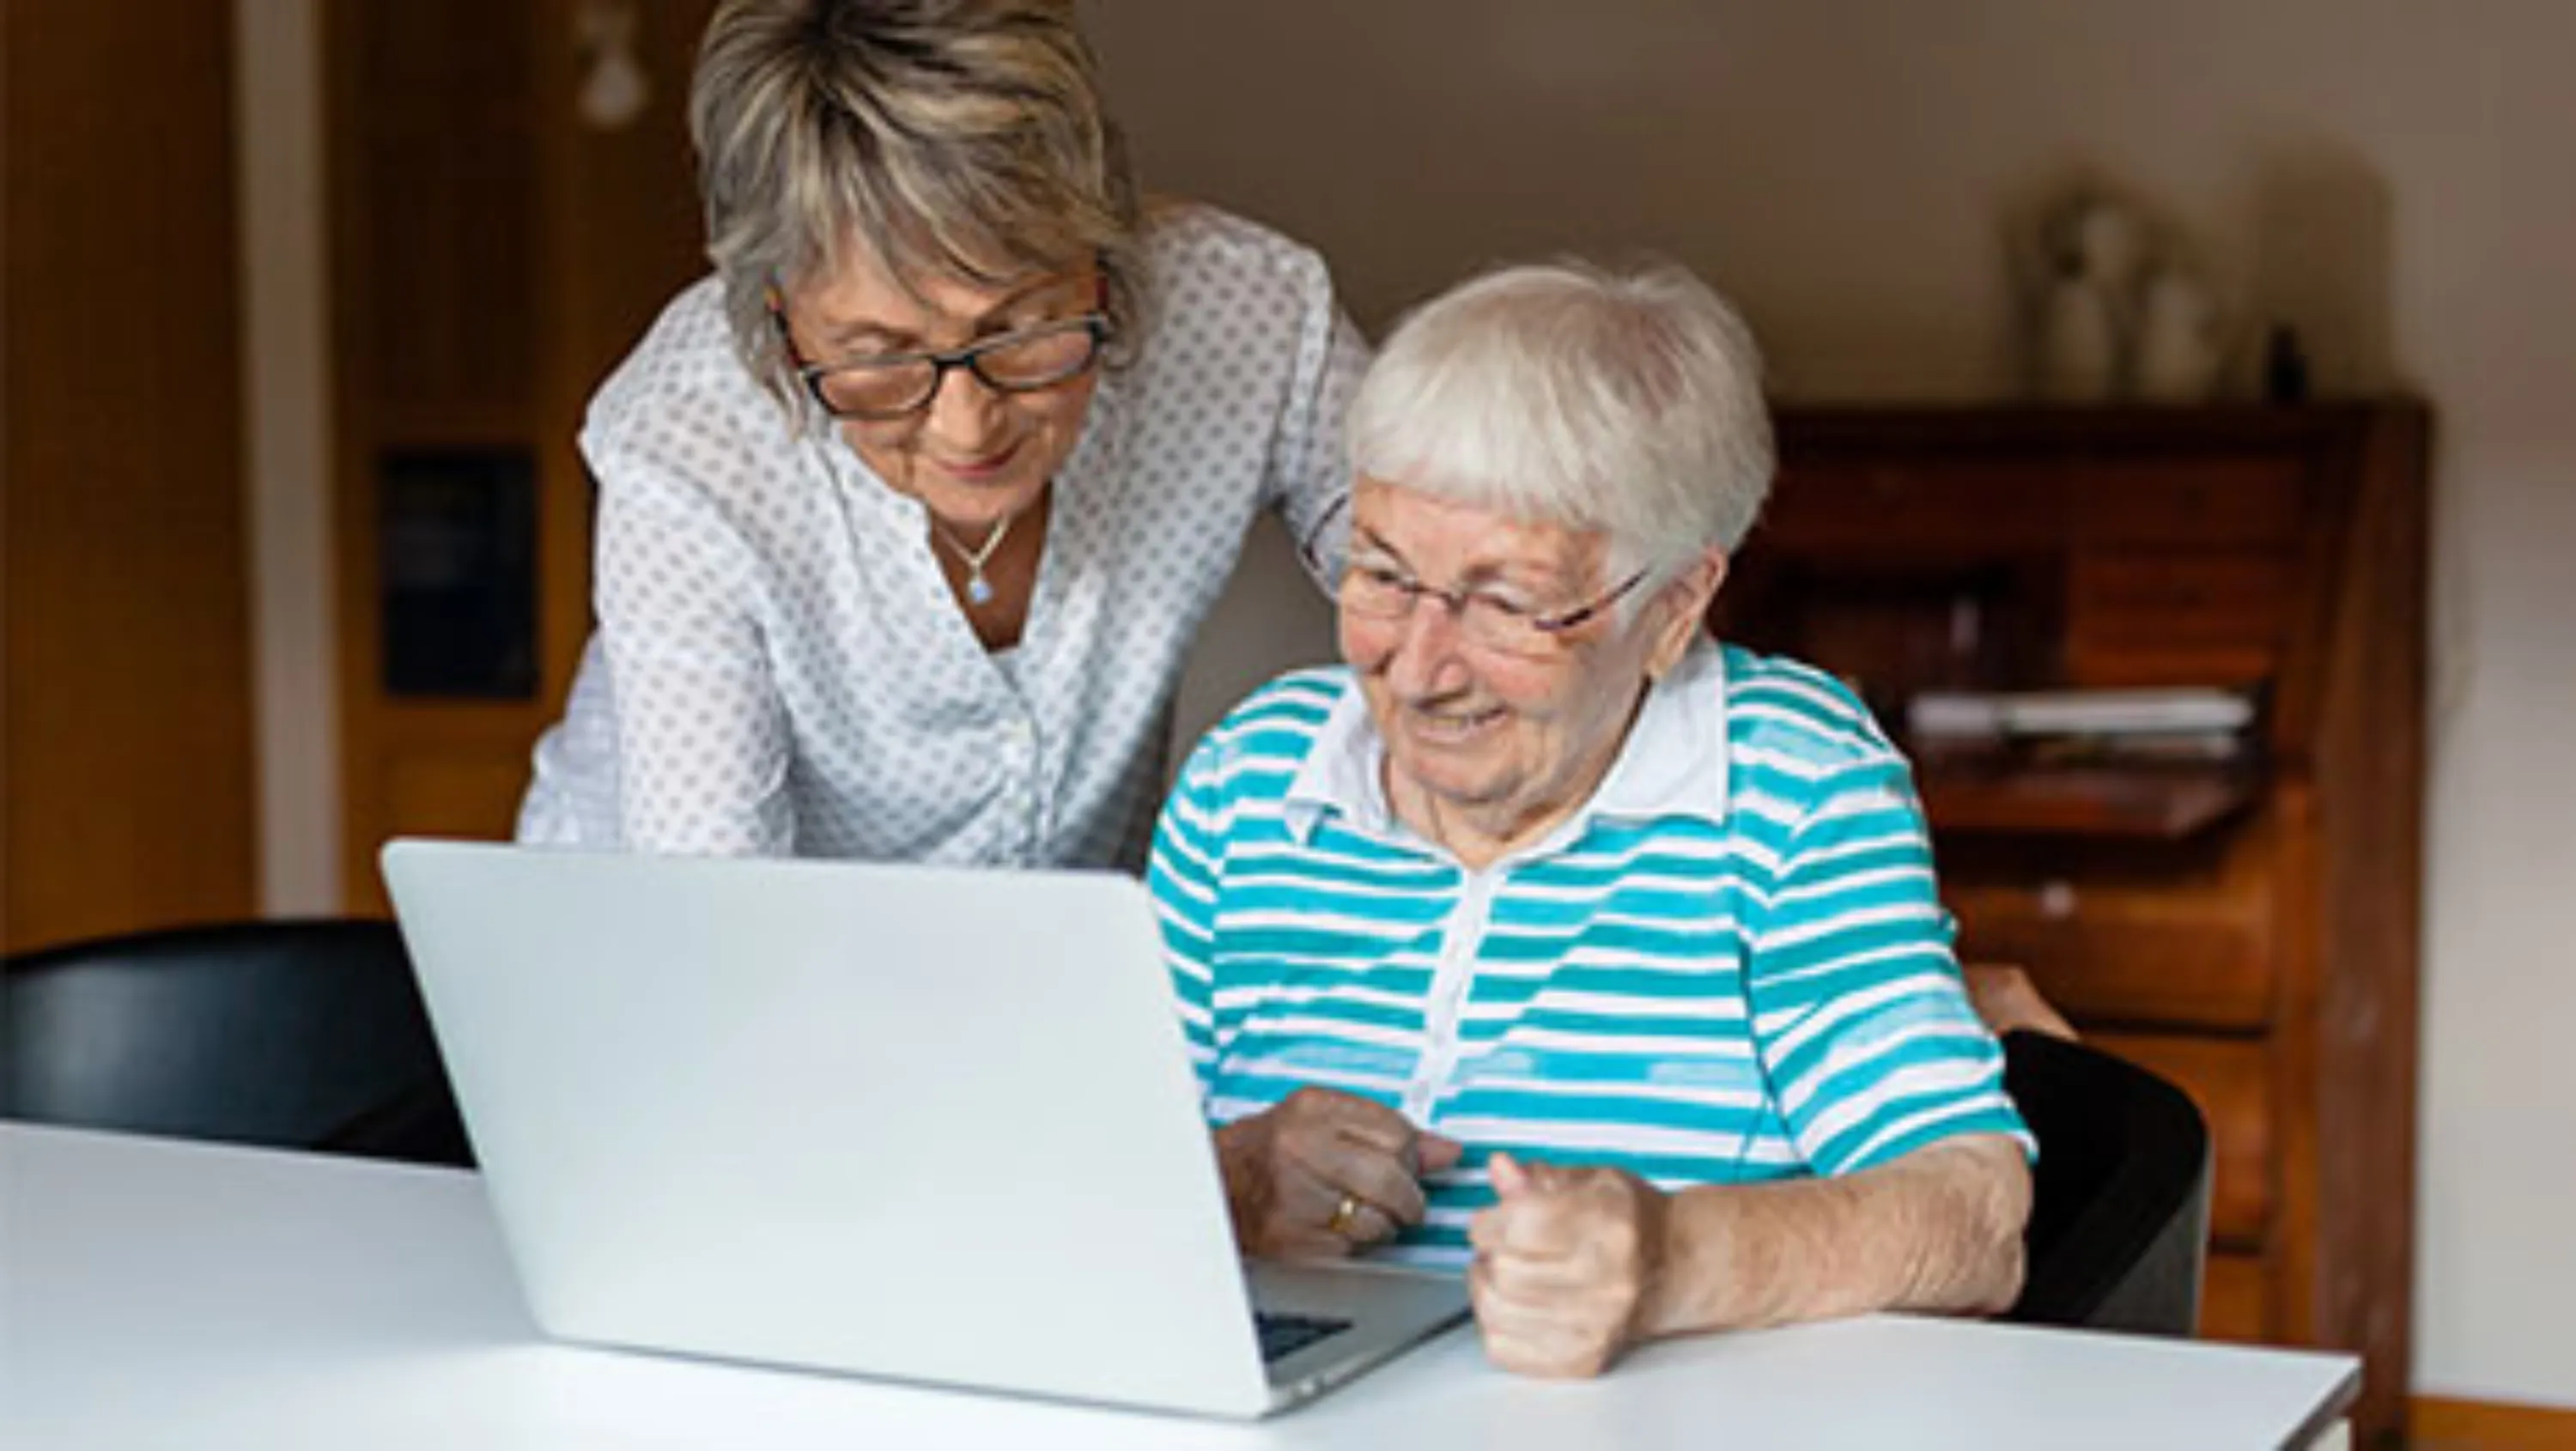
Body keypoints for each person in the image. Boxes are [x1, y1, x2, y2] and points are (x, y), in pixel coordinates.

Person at [1147, 260, 2036, 1379]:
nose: (1418, 668)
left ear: (1673, 607)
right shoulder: (1252, 776)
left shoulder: (1788, 787)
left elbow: (1972, 1217)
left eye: (1507, 602)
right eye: (1381, 572)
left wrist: (1672, 1261)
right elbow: (1081, 1183)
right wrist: (1231, 1181)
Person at [514, 0, 1358, 867]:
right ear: (776, 319)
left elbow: (1458, 565)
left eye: (1024, 326)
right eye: (881, 360)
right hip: (651, 939)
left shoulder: (1250, 311)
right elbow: (718, 906)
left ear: (1101, 252)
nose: (969, 425)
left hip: (1043, 956)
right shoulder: (688, 442)